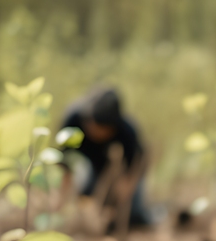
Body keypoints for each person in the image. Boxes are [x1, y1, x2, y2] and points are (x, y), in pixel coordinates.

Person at [61, 88, 151, 228]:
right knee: (86, 195)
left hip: (114, 167)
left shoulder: (127, 131)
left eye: (104, 130)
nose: (98, 134)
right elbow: (64, 160)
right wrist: (63, 195)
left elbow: (136, 164)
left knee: (134, 213)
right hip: (88, 163)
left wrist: (124, 191)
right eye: (94, 127)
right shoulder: (73, 120)